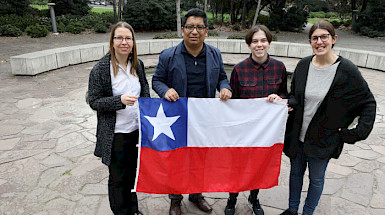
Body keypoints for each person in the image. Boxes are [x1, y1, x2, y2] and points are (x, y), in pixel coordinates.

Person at [281, 21, 376, 215]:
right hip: (297, 136)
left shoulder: (347, 70)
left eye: (324, 37)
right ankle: (292, 210)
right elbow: (295, 94)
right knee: (295, 174)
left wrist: (357, 132)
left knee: (316, 179)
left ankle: (307, 212)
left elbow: (368, 102)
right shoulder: (303, 65)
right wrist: (290, 103)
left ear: (334, 39)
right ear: (310, 41)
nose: (319, 41)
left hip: (323, 139)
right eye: (315, 38)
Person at [152, 8, 232, 215]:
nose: (194, 31)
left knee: (200, 160)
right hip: (177, 118)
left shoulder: (214, 54)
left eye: (199, 27)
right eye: (190, 27)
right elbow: (157, 80)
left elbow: (223, 77)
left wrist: (225, 87)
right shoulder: (168, 55)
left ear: (206, 31)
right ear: (182, 30)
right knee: (177, 160)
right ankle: (175, 200)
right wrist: (165, 90)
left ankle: (196, 195)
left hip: (204, 119)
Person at [88, 21, 150, 215]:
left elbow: (145, 93)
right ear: (112, 41)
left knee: (133, 174)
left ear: (133, 42)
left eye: (128, 38)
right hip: (115, 134)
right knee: (117, 178)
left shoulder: (137, 65)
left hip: (136, 131)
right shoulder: (100, 70)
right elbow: (94, 101)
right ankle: (121, 212)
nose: (124, 42)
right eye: (119, 38)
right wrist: (119, 101)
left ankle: (133, 209)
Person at [225, 25, 288, 215]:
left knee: (259, 166)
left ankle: (254, 198)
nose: (259, 45)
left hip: (266, 131)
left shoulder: (279, 67)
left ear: (269, 43)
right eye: (254, 41)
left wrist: (280, 99)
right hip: (243, 131)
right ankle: (232, 198)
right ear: (248, 44)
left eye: (263, 41)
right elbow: (232, 102)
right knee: (237, 167)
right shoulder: (239, 69)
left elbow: (285, 93)